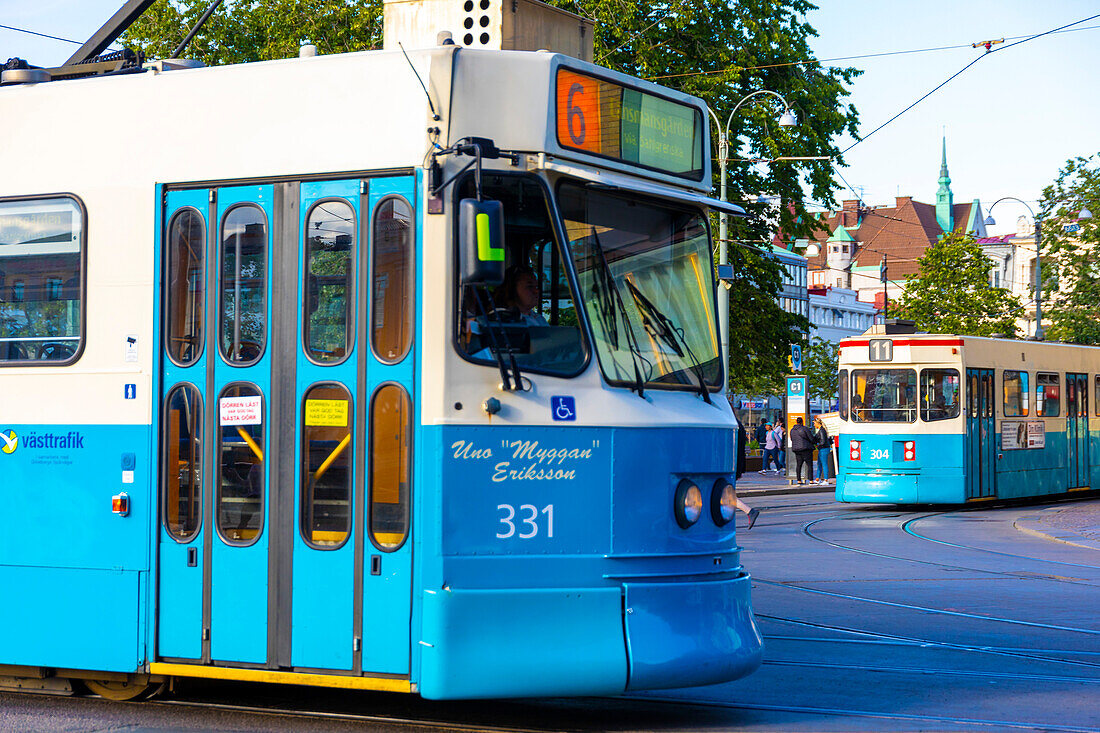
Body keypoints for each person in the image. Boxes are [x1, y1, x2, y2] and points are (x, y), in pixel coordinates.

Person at [789, 417, 815, 485]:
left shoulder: (792, 430)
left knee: (799, 465)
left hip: (796, 449)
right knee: (809, 465)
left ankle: (798, 480)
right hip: (805, 448)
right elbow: (811, 438)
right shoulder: (805, 429)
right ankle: (811, 480)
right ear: (802, 422)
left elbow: (792, 439)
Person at [813, 415, 832, 484]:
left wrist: (818, 445)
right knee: (820, 464)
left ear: (818, 423)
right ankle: (818, 479)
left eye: (814, 423)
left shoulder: (821, 431)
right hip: (823, 449)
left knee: (824, 464)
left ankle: (826, 480)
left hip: (823, 449)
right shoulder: (821, 430)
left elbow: (823, 441)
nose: (814, 425)